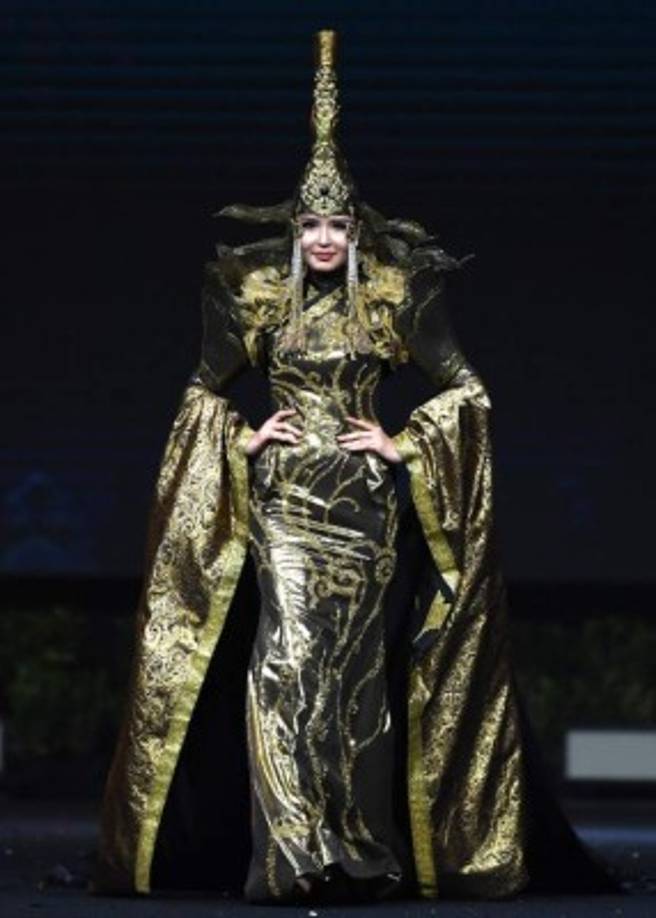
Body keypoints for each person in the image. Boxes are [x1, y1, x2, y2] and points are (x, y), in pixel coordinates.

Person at [92, 29, 622, 905]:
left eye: (339, 223)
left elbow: (468, 391)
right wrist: (240, 438)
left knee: (354, 681)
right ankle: (294, 855)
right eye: (313, 225)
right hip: (284, 508)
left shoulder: (391, 300)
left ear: (355, 227)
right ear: (296, 232)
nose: (328, 237)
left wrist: (403, 444)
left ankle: (356, 852)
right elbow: (199, 389)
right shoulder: (256, 298)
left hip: (368, 512)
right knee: (283, 665)